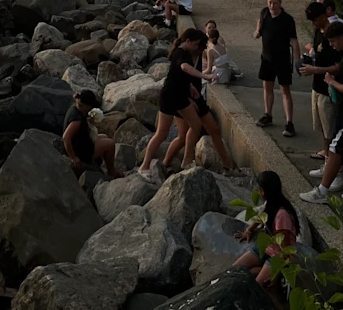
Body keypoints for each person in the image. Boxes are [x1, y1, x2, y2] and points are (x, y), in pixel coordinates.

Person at [300, 22, 343, 204]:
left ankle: (321, 192)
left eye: (333, 41)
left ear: (341, 37)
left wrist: (331, 81)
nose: (332, 45)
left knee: (334, 149)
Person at [139, 29, 216, 179]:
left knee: (196, 125)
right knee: (161, 134)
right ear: (187, 41)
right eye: (196, 45)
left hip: (181, 97)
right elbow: (184, 68)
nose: (198, 48)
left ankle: (187, 160)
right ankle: (144, 166)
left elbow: (179, 76)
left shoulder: (186, 53)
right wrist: (205, 76)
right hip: (169, 97)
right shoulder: (180, 53)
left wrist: (191, 87)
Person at [234, 170, 300, 310]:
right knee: (236, 271)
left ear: (263, 190)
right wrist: (249, 230)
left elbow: (285, 249)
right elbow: (262, 216)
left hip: (278, 255)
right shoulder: (271, 203)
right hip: (267, 247)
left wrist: (275, 273)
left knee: (259, 288)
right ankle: (260, 271)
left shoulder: (282, 215)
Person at [298, 1, 343, 185]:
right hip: (316, 87)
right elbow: (317, 55)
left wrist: (315, 70)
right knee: (323, 130)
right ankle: (327, 163)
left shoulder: (332, 35)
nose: (314, 24)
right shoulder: (318, 32)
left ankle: (338, 171)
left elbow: (338, 66)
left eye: (315, 20)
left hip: (328, 89)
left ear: (323, 16)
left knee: (332, 131)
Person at [254, 0, 300, 137]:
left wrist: (298, 60)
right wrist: (258, 30)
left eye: (274, 3)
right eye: (269, 3)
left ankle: (289, 122)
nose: (272, 6)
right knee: (267, 87)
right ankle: (268, 114)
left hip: (282, 60)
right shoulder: (264, 12)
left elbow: (294, 41)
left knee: (285, 91)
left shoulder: (287, 20)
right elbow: (260, 21)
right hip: (267, 58)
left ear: (280, 3)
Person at [62, 90, 122, 178]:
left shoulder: (76, 108)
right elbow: (66, 137)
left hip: (81, 142)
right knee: (110, 144)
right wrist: (73, 158)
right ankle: (111, 172)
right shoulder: (76, 120)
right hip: (80, 152)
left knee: (104, 136)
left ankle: (100, 163)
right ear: (86, 106)